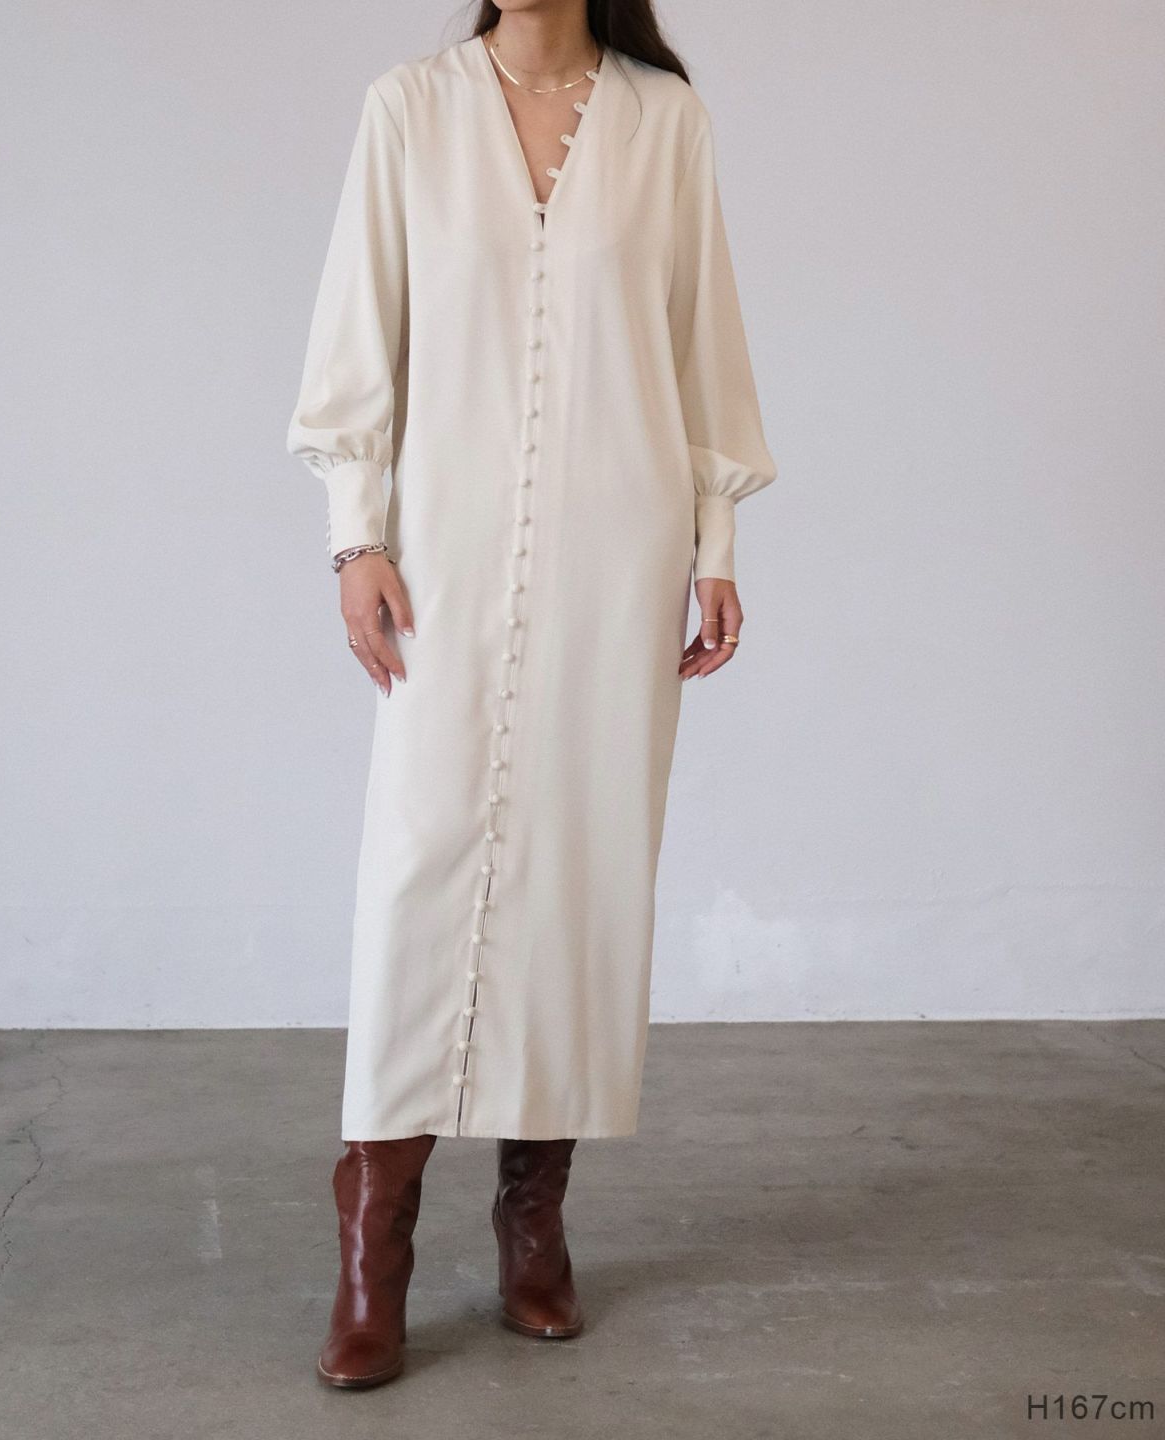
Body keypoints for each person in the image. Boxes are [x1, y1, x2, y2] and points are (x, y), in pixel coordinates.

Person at [286, 0, 777, 1389]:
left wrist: (715, 545)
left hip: (616, 559)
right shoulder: (410, 110)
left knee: (578, 872)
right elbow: (359, 336)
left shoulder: (665, 120)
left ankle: (534, 1219)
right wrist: (356, 537)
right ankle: (375, 1237)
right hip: (440, 558)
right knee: (418, 872)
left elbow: (700, 342)